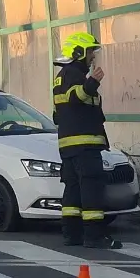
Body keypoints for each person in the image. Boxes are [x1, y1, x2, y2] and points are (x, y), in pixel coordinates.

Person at [53, 31, 121, 250]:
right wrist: (92, 82)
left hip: (69, 146)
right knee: (91, 189)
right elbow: (76, 98)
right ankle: (94, 236)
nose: (92, 56)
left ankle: (71, 234)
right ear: (79, 52)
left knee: (72, 190)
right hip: (84, 145)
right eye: (90, 51)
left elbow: (59, 113)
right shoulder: (73, 74)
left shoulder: (63, 75)